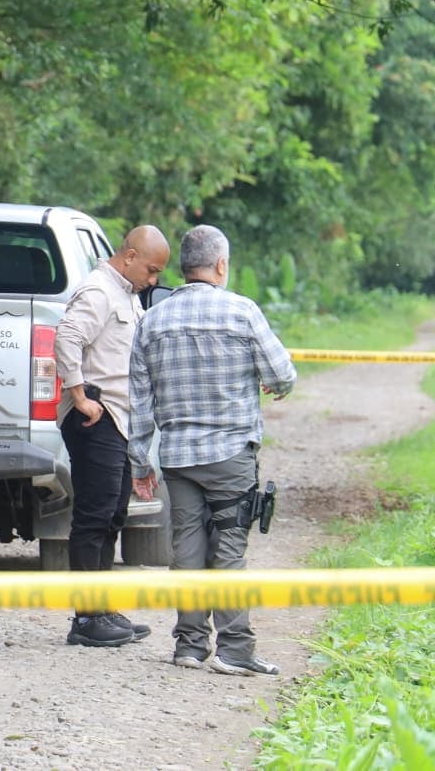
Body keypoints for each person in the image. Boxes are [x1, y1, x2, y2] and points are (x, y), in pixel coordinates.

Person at [127, 224, 296, 675]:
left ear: (184, 266)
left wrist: (140, 461)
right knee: (229, 548)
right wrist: (262, 379)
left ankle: (189, 644)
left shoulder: (152, 321)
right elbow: (282, 375)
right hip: (229, 455)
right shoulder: (242, 312)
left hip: (178, 458)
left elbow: (139, 402)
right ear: (221, 264)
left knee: (187, 548)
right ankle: (235, 649)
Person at [55, 225, 171, 647]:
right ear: (130, 256)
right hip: (96, 417)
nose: (154, 280)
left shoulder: (125, 294)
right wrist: (78, 395)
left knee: (112, 515)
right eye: (152, 269)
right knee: (93, 516)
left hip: (117, 420)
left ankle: (102, 608)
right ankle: (86, 619)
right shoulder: (100, 290)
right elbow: (67, 336)